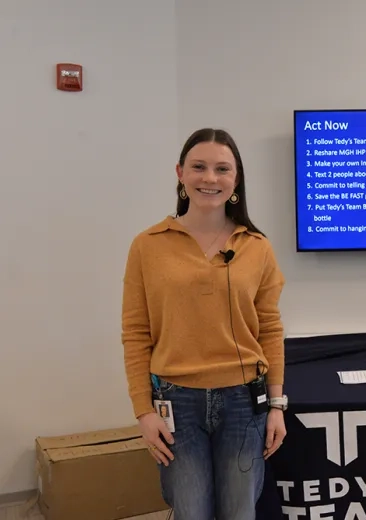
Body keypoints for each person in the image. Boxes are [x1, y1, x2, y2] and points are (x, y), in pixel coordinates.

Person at [121, 128, 287, 520]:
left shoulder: (257, 246)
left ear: (236, 179)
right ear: (180, 173)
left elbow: (270, 327)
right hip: (176, 403)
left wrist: (277, 405)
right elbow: (135, 332)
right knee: (190, 512)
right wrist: (143, 412)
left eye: (221, 169)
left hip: (244, 404)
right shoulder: (148, 244)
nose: (209, 178)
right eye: (199, 167)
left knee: (238, 512)